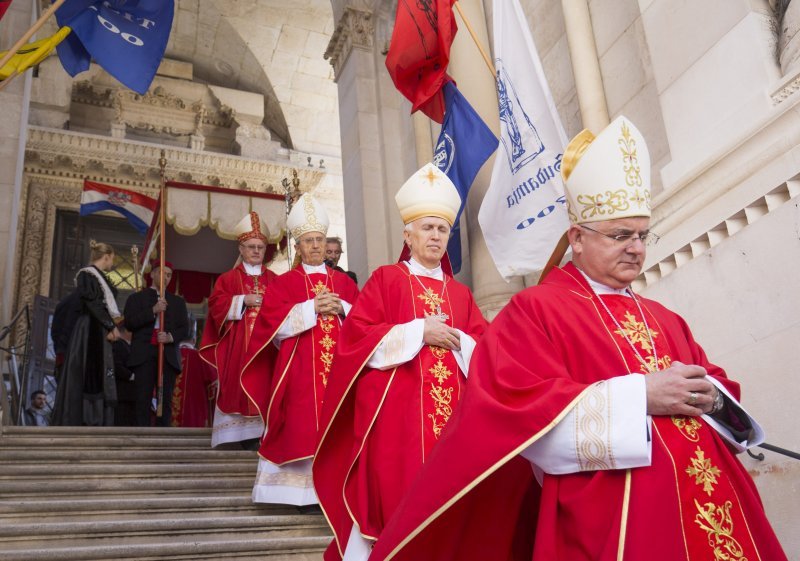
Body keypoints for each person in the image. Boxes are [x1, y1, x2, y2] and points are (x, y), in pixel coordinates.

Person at [366, 117, 788, 561]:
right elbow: (518, 413)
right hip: (616, 519)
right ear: (577, 238)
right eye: (620, 234)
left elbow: (720, 394)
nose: (636, 248)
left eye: (643, 234)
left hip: (718, 501)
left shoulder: (663, 317)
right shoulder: (537, 309)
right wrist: (640, 394)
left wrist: (711, 398)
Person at [313, 163, 489, 561]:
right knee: (399, 504)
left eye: (442, 229)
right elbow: (355, 338)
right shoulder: (386, 279)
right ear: (408, 234)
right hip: (398, 422)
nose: (435, 236)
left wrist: (458, 339)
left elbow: (486, 347)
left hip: (453, 421)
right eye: (427, 228)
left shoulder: (460, 294)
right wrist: (416, 333)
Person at [242, 193, 359, 507]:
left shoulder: (345, 283)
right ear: (298, 246)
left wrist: (344, 307)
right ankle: (301, 494)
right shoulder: (283, 283)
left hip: (340, 372)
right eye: (309, 241)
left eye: (320, 240)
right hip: (299, 372)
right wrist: (310, 308)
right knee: (300, 427)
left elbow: (366, 324)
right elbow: (270, 328)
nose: (316, 246)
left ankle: (336, 492)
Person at [199, 212, 276, 447]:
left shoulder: (275, 279)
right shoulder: (228, 279)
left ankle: (263, 437)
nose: (256, 251)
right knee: (238, 388)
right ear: (241, 249)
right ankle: (236, 438)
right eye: (251, 247)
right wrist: (243, 300)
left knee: (267, 388)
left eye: (260, 247)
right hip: (237, 348)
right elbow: (216, 305)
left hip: (267, 348)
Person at [52, 240, 121, 426]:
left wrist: (108, 325)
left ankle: (98, 418)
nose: (112, 264)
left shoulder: (100, 277)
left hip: (98, 328)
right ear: (106, 257)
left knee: (99, 370)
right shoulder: (87, 275)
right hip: (90, 328)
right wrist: (110, 325)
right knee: (90, 370)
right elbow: (93, 303)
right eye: (111, 259)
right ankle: (88, 417)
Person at [123, 260, 188, 427]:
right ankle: (141, 439)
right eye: (161, 273)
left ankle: (163, 440)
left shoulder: (178, 302)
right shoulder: (136, 298)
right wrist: (152, 311)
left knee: (165, 400)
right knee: (142, 398)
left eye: (169, 275)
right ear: (152, 274)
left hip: (167, 356)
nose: (165, 278)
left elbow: (184, 329)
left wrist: (170, 337)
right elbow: (129, 323)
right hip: (144, 354)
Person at [173, 316, 217, 428]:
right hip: (194, 417)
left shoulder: (165, 357)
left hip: (166, 419)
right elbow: (214, 387)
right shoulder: (202, 358)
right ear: (195, 338)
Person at [112, 325, 136, 427]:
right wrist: (131, 376)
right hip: (122, 394)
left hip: (129, 395)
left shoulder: (128, 345)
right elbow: (117, 365)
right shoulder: (118, 344)